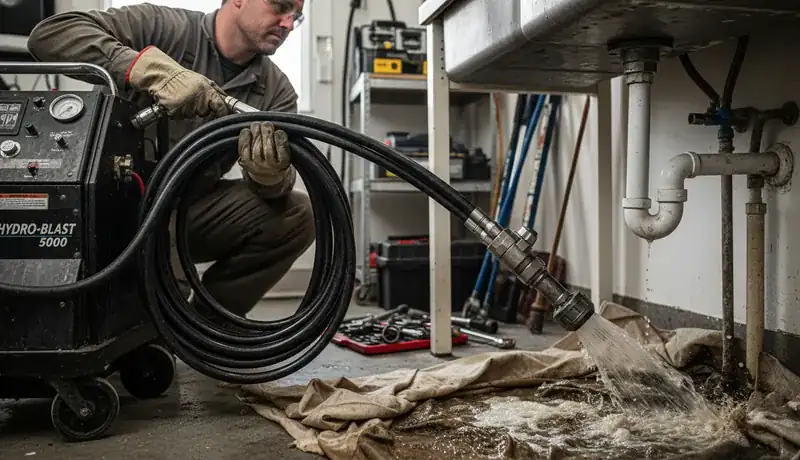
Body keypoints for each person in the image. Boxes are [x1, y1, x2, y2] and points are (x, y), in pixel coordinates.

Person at [26, 0, 315, 320]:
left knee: (297, 215)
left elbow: (281, 184)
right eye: (280, 6)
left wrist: (270, 175)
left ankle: (211, 327)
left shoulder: (277, 91)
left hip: (191, 209)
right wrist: (148, 70)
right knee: (155, 313)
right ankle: (165, 317)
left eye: (296, 16)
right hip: (124, 207)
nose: (288, 23)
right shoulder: (162, 26)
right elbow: (49, 34)